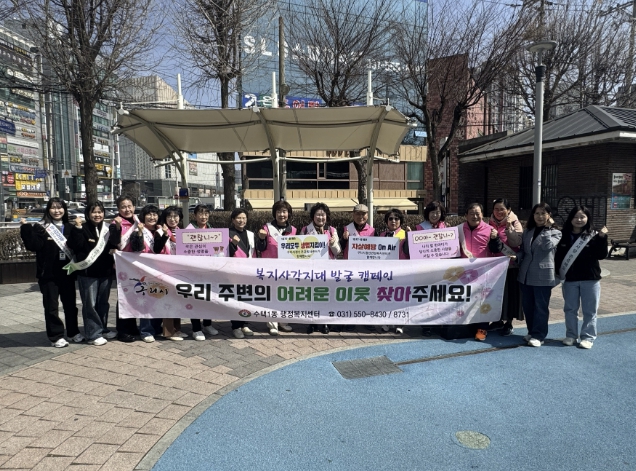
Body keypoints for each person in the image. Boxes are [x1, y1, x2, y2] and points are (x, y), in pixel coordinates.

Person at [20, 198, 82, 348]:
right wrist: (26, 228)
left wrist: (79, 228)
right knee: (51, 307)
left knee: (70, 306)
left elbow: (77, 246)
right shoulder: (41, 227)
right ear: (48, 210)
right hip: (48, 275)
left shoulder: (70, 227)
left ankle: (73, 332)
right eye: (53, 208)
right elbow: (34, 245)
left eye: (60, 207)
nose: (57, 211)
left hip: (67, 273)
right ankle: (56, 336)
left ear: (65, 210)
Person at [555, 206, 608, 349]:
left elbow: (601, 255)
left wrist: (602, 238)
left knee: (589, 310)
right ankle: (571, 335)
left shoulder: (594, 235)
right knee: (570, 309)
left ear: (587, 218)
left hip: (590, 278)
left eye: (582, 217)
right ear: (570, 218)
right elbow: (558, 256)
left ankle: (587, 337)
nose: (579, 220)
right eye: (575, 217)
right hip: (570, 279)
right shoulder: (563, 235)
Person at [67, 201, 118, 346]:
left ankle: (102, 329)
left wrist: (117, 229)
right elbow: (74, 246)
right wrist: (77, 228)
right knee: (90, 304)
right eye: (94, 212)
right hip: (87, 273)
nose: (97, 215)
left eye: (100, 212)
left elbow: (115, 243)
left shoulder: (108, 228)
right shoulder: (82, 228)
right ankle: (93, 334)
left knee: (103, 303)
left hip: (105, 272)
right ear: (88, 214)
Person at [517, 202, 562, 347]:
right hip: (526, 274)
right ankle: (531, 331)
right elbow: (523, 251)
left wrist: (548, 228)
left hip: (543, 275)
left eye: (543, 213)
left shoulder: (556, 232)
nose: (540, 216)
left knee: (540, 307)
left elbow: (547, 246)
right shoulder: (528, 231)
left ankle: (539, 335)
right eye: (537, 213)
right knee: (528, 306)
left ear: (549, 215)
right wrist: (515, 257)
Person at [457, 203, 499, 342]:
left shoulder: (490, 230)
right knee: (465, 302)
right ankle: (467, 329)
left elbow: (496, 250)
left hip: (484, 274)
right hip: (463, 274)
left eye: (477, 213)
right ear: (466, 215)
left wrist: (495, 238)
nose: (475, 216)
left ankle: (482, 330)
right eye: (471, 213)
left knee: (483, 302)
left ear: (482, 215)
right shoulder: (458, 229)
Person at [131, 204, 170, 343]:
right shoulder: (138, 230)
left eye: (154, 214)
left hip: (160, 271)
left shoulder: (160, 230)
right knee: (146, 301)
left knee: (159, 298)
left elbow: (158, 249)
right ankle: (146, 330)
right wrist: (140, 233)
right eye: (149, 214)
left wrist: (165, 235)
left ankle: (156, 327)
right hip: (144, 271)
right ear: (143, 216)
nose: (152, 217)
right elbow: (136, 248)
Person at [257, 200, 296, 335]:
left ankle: (283, 321)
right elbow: (260, 248)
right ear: (274, 213)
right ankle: (272, 323)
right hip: (270, 268)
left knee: (285, 295)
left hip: (287, 269)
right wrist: (261, 238)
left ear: (288, 214)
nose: (281, 214)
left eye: (284, 211)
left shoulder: (294, 230)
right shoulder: (266, 228)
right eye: (278, 211)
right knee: (272, 295)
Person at [301, 202, 342, 334]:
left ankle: (324, 322)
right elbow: (300, 251)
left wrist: (333, 244)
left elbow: (338, 252)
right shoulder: (305, 230)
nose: (320, 217)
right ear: (313, 216)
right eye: (317, 215)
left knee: (325, 296)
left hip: (328, 269)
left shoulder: (332, 230)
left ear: (326, 216)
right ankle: (311, 323)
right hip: (311, 269)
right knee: (311, 296)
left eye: (323, 215)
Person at [487, 198, 524, 336]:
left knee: (510, 296)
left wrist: (509, 229)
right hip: (494, 266)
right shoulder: (489, 223)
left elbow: (516, 242)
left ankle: (508, 323)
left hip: (510, 266)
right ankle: (497, 321)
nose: (499, 212)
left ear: (508, 210)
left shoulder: (515, 223)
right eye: (496, 209)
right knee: (496, 295)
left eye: (502, 209)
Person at [109, 195, 141, 342]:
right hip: (122, 267)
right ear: (118, 209)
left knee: (134, 296)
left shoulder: (138, 222)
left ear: (134, 207)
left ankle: (132, 327)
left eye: (129, 206)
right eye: (123, 207)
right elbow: (113, 242)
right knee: (124, 297)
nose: (127, 209)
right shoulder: (114, 223)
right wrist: (117, 227)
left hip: (136, 266)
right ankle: (122, 330)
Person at [184, 204, 219, 339]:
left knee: (208, 298)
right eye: (200, 214)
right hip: (193, 272)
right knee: (195, 299)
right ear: (195, 215)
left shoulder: (212, 230)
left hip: (209, 271)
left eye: (206, 214)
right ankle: (196, 328)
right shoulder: (189, 230)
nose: (203, 217)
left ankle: (207, 324)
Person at [158, 206, 187, 341]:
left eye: (175, 216)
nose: (172, 219)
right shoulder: (160, 231)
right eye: (169, 216)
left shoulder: (182, 233)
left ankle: (177, 329)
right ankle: (168, 331)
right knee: (168, 300)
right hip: (165, 270)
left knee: (178, 299)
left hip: (179, 271)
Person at [379, 208, 410, 334]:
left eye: (396, 218)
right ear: (386, 221)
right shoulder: (382, 235)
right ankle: (387, 322)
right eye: (390, 218)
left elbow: (409, 252)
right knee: (386, 296)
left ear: (400, 221)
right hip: (386, 271)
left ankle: (400, 323)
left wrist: (409, 238)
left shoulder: (405, 234)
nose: (393, 221)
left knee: (400, 297)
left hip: (402, 270)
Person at [228, 208, 256, 339]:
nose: (241, 220)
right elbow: (224, 253)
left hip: (248, 271)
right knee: (236, 300)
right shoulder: (228, 234)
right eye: (238, 218)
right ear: (233, 220)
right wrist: (233, 244)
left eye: (244, 218)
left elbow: (255, 251)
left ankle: (245, 324)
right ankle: (236, 326)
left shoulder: (250, 234)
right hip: (234, 272)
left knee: (247, 298)